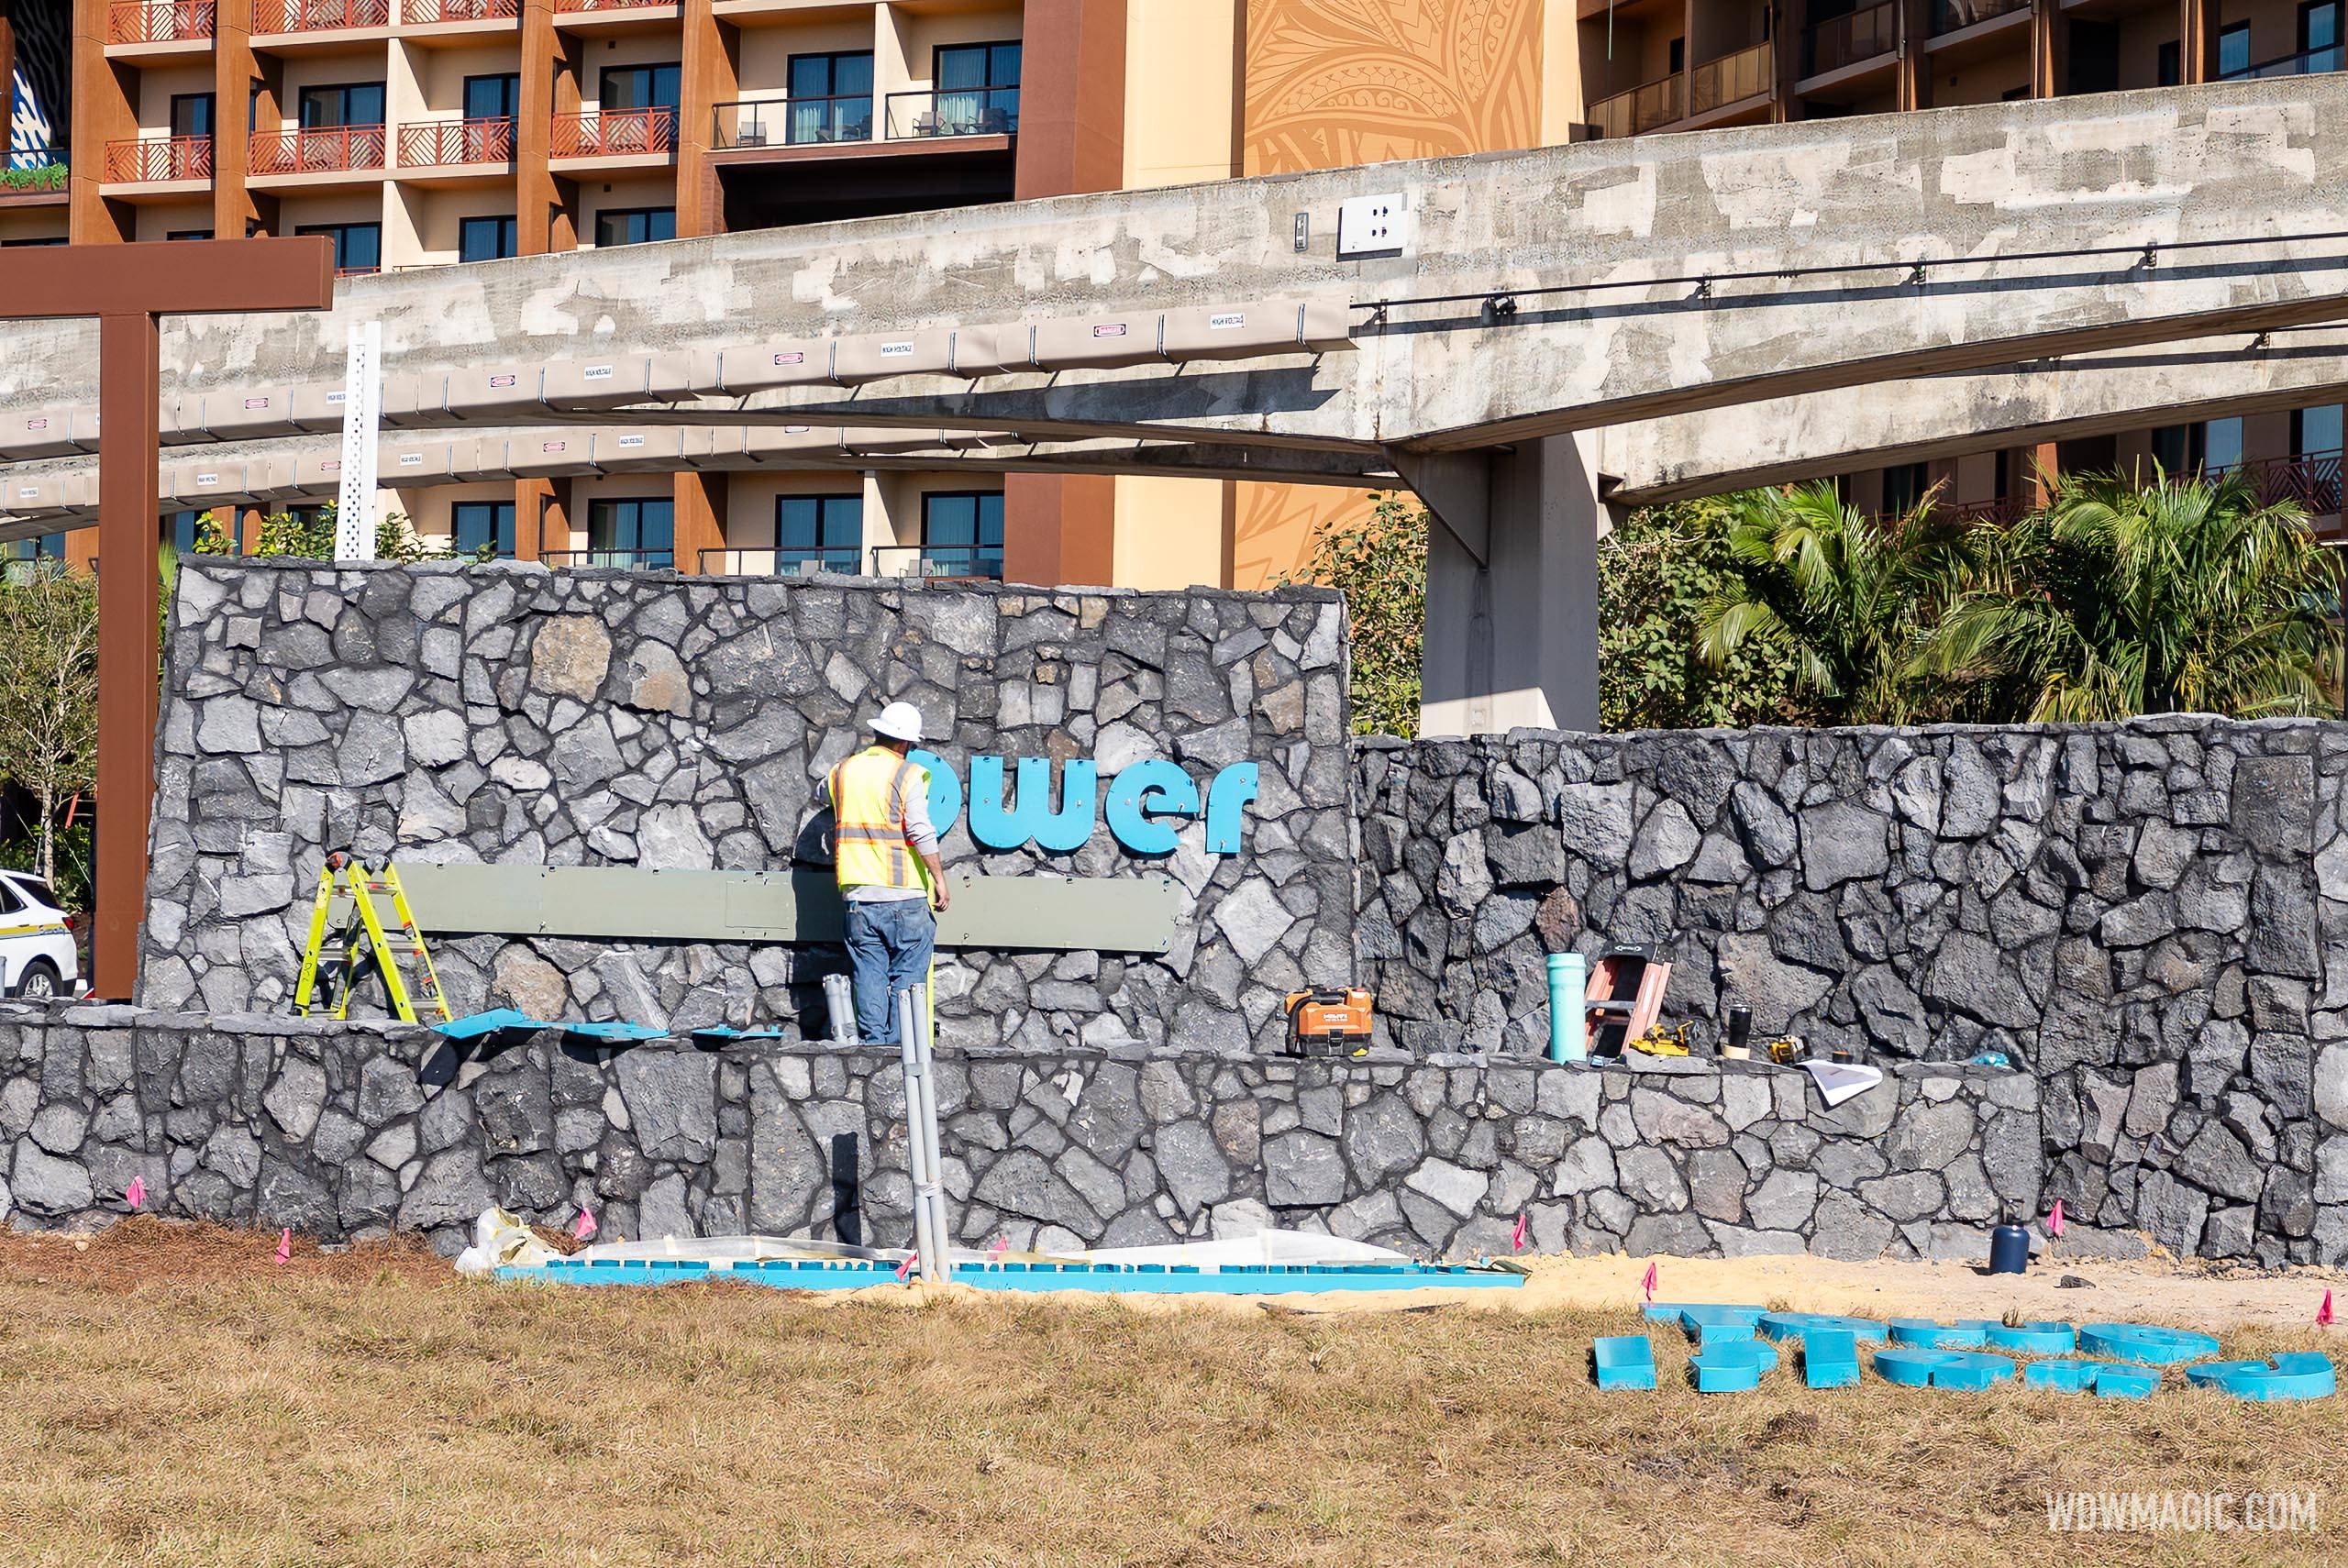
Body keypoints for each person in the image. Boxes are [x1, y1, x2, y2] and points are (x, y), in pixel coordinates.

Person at [828, 701, 950, 1045]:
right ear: (904, 743)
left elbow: (824, 795)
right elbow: (920, 831)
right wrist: (940, 879)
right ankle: (901, 1048)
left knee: (869, 973)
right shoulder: (906, 774)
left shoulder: (842, 772)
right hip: (904, 895)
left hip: (858, 899)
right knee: (908, 978)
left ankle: (872, 1048)